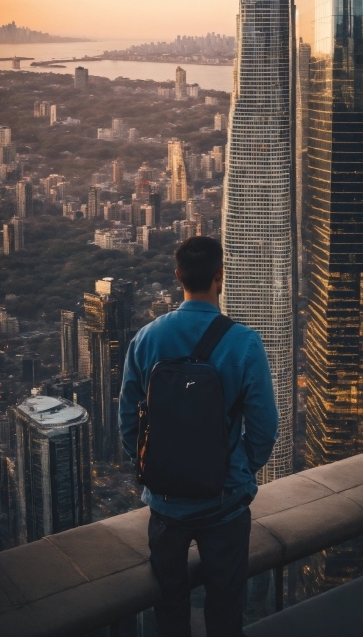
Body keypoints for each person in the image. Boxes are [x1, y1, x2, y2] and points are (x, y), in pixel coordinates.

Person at [119, 236, 279, 637]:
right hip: (224, 505)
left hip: (166, 505)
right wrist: (234, 472)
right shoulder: (244, 343)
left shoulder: (146, 338)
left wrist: (158, 469)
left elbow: (128, 424)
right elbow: (264, 430)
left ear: (178, 277)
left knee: (169, 611)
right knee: (226, 610)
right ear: (219, 277)